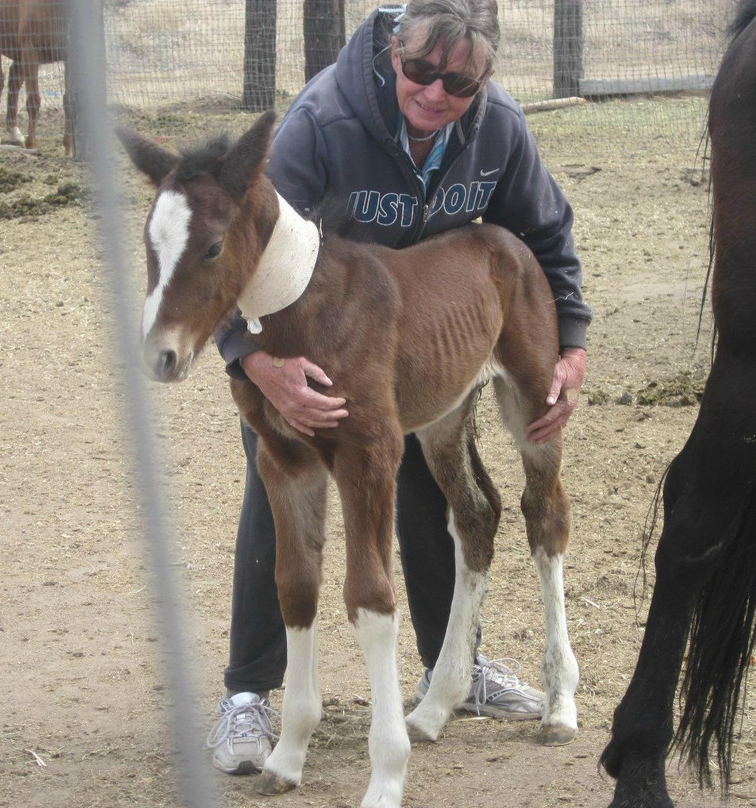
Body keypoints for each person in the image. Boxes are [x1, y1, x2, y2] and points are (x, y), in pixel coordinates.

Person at [205, 0, 592, 775]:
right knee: (277, 484)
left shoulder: (499, 128)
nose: (434, 92)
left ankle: (453, 669)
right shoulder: (323, 120)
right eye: (419, 69)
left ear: (482, 83)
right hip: (310, 339)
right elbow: (229, 245)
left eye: (458, 82)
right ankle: (248, 693)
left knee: (430, 485)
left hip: (421, 323)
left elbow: (544, 233)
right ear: (393, 51)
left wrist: (571, 343)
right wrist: (252, 361)